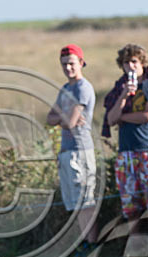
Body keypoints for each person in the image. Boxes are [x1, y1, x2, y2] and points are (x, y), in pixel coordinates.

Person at [104, 43, 148, 230]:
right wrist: (124, 95)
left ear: (141, 62)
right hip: (126, 151)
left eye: (134, 61)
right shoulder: (120, 86)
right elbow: (110, 119)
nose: (130, 66)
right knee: (130, 204)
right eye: (126, 63)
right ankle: (135, 244)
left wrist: (123, 117)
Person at [47, 44, 98, 244]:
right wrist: (64, 117)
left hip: (81, 151)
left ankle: (93, 243)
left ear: (81, 63)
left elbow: (69, 122)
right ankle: (84, 242)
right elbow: (51, 118)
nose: (68, 68)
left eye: (71, 63)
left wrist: (63, 118)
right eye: (64, 64)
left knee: (86, 202)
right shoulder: (65, 89)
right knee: (75, 203)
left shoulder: (83, 88)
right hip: (66, 150)